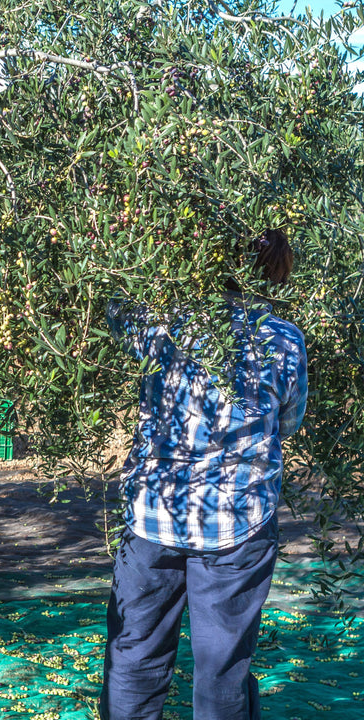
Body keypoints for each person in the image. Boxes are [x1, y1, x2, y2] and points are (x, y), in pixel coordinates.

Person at [99, 228, 307, 720]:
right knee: (221, 670)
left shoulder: (161, 327)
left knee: (134, 657)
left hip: (155, 513)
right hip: (239, 523)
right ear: (274, 270)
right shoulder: (283, 338)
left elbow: (113, 304)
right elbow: (289, 421)